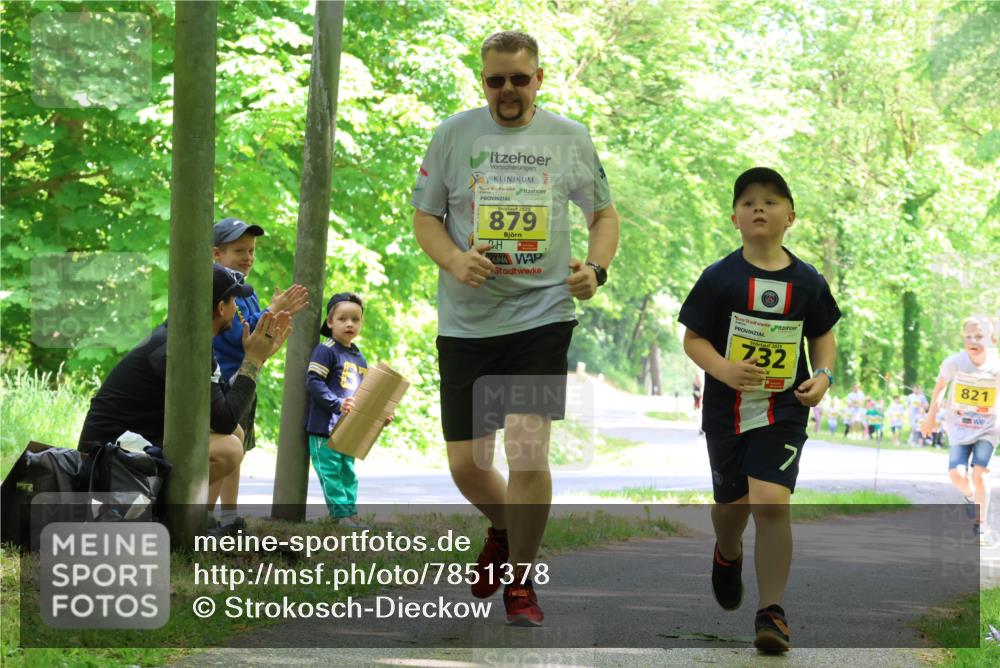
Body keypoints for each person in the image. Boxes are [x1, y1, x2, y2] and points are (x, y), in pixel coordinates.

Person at [411, 30, 619, 627]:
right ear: (484, 81)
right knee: (466, 465)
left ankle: (522, 581)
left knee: (527, 452)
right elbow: (426, 218)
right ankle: (503, 528)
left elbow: (603, 215)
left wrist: (595, 270)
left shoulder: (568, 138)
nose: (507, 90)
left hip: (541, 317)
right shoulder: (454, 134)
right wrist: (453, 259)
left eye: (518, 79)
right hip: (467, 321)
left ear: (539, 79)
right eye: (495, 80)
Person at [679, 167, 839, 652]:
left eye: (770, 201)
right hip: (727, 410)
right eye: (748, 202)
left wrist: (823, 376)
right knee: (732, 509)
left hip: (783, 409)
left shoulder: (808, 281)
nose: (759, 209)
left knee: (771, 501)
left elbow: (823, 336)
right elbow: (693, 339)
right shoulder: (720, 278)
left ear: (790, 215)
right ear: (735, 218)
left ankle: (772, 612)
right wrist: (724, 370)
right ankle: (727, 553)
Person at [79, 264, 292, 535]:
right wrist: (253, 360)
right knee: (229, 448)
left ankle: (193, 522)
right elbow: (225, 420)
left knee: (235, 435)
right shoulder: (182, 348)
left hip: (129, 449)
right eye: (233, 300)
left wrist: (254, 360)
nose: (237, 308)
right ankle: (169, 523)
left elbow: (223, 410)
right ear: (219, 307)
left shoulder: (187, 339)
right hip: (108, 465)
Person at [211, 217, 308, 520]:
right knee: (229, 445)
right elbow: (241, 333)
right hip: (224, 383)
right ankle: (202, 516)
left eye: (251, 251)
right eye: (239, 251)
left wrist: (273, 324)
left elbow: (259, 333)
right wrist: (273, 312)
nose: (248, 257)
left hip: (244, 378)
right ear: (217, 254)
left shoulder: (246, 289)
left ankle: (228, 514)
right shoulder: (221, 287)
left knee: (237, 448)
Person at [305, 293, 392, 528]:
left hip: (348, 429)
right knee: (331, 472)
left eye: (356, 319)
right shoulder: (327, 350)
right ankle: (340, 514)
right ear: (330, 322)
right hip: (325, 426)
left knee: (348, 472)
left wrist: (378, 414)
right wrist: (336, 403)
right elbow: (314, 381)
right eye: (343, 318)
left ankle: (350, 513)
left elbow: (363, 396)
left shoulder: (359, 356)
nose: (350, 324)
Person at [921, 317, 999, 542]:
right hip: (959, 426)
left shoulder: (996, 366)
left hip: (988, 427)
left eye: (980, 337)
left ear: (992, 339)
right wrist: (930, 418)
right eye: (969, 337)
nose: (973, 341)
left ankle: (982, 525)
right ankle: (971, 496)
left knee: (980, 473)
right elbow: (940, 388)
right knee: (957, 474)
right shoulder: (954, 363)